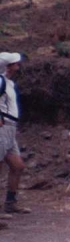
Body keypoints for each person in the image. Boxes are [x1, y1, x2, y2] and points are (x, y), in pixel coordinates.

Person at [0, 53, 28, 221]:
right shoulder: (1, 81)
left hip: (11, 127)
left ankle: (10, 203)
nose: (18, 66)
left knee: (17, 166)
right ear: (8, 66)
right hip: (3, 126)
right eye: (15, 64)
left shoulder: (8, 83)